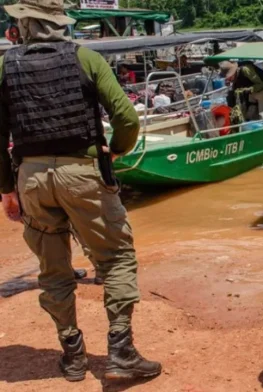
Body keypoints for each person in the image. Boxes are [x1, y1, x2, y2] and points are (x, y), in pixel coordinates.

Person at [0, 0, 161, 382]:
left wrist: (7, 189)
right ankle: (121, 352)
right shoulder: (85, 58)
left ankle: (72, 355)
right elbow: (125, 116)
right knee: (116, 259)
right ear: (58, 24)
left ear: (22, 24)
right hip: (83, 173)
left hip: (32, 177)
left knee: (53, 269)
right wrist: (117, 149)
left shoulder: (6, 66)